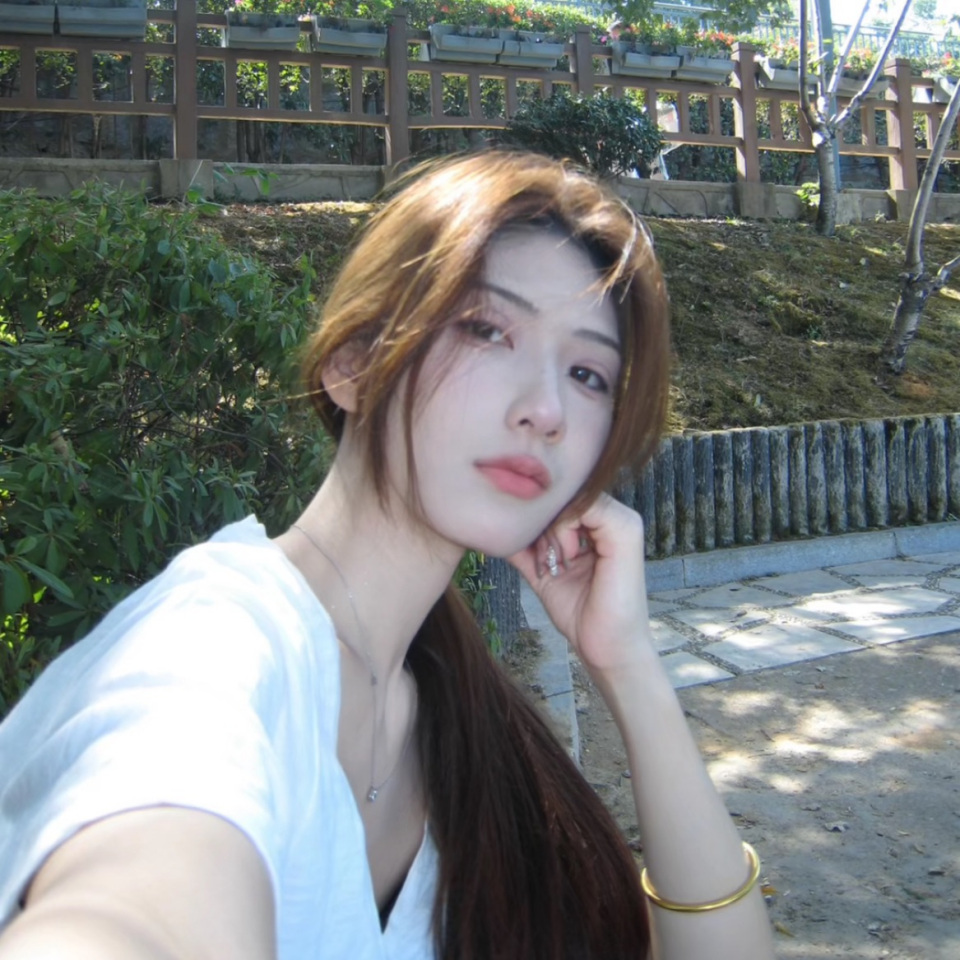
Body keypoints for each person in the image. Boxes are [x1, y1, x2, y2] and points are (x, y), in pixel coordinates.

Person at [0, 151, 775, 960]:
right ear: (354, 364)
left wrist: (630, 664)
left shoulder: (463, 719)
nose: (547, 410)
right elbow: (135, 906)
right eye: (487, 329)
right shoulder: (214, 644)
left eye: (587, 374)